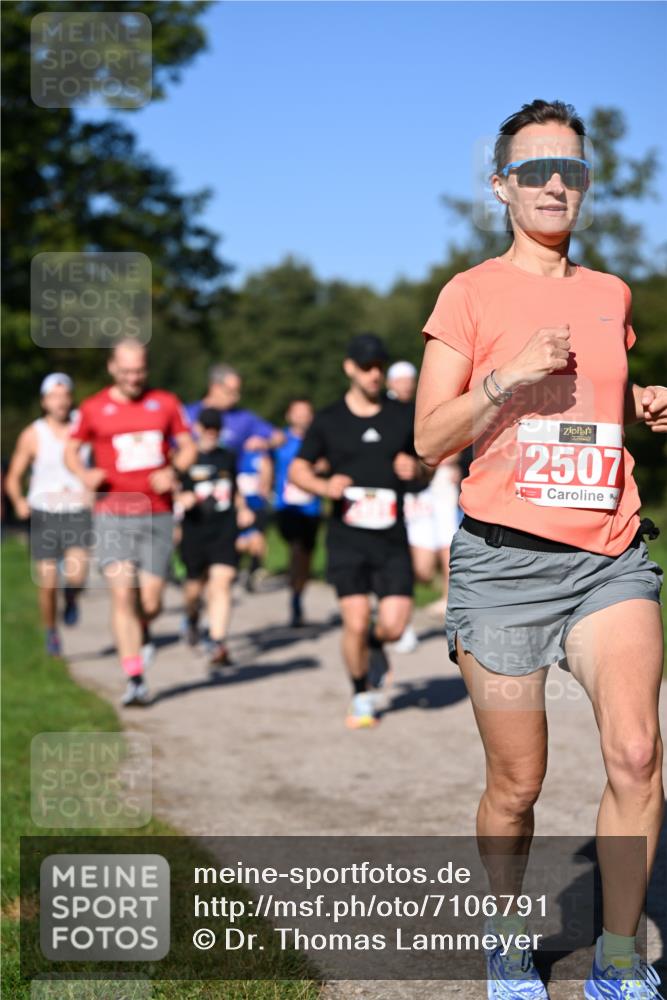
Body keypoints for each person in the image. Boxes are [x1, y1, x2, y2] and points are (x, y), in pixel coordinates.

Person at [415, 99, 665, 1000]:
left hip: (609, 555)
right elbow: (428, 438)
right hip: (504, 568)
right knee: (516, 786)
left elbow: (602, 393)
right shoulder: (469, 294)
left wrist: (643, 403)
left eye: (570, 170)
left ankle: (617, 956)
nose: (554, 183)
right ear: (500, 185)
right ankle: (505, 934)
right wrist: (504, 378)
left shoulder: (608, 295)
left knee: (636, 755)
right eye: (533, 170)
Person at [290, 333, 424, 728]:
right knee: (355, 618)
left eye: (379, 367)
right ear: (349, 368)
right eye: (366, 367)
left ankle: (376, 646)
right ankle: (361, 693)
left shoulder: (403, 415)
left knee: (395, 625)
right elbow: (298, 469)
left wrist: (416, 469)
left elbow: (430, 464)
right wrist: (322, 486)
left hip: (391, 536)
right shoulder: (329, 420)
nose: (374, 374)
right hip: (347, 537)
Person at [65, 339, 196, 707]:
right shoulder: (93, 408)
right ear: (112, 368)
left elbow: (188, 446)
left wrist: (173, 470)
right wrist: (84, 474)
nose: (133, 378)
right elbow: (71, 450)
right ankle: (135, 676)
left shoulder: (166, 403)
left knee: (150, 601)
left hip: (157, 512)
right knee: (122, 594)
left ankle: (143, 630)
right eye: (126, 372)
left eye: (139, 371)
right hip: (113, 512)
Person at [6, 373, 91, 656]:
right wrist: (18, 500)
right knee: (47, 580)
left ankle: (72, 596)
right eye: (53, 396)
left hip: (77, 508)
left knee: (77, 574)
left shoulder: (85, 426)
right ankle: (51, 631)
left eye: (64, 395)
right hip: (44, 512)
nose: (60, 402)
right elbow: (14, 475)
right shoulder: (33, 434)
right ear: (44, 401)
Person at [177, 408, 255, 671]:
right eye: (206, 428)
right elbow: (169, 488)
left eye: (215, 429)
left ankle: (217, 642)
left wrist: (243, 509)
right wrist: (180, 500)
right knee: (194, 589)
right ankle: (191, 617)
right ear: (197, 429)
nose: (210, 433)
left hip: (223, 530)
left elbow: (236, 491)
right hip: (194, 531)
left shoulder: (227, 457)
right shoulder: (185, 458)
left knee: (222, 583)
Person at [273, 398, 322, 627]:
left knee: (306, 555)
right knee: (296, 547)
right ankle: (295, 596)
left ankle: (298, 593)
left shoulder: (320, 441)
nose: (303, 417)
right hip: (287, 507)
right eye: (298, 412)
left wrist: (324, 466)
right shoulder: (280, 439)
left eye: (307, 412)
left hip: (312, 507)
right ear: (289, 416)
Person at [186, 363, 284, 453]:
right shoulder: (187, 414)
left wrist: (265, 444)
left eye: (238, 392)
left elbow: (279, 437)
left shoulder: (243, 418)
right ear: (214, 387)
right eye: (231, 392)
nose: (236, 398)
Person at [235, 444, 273, 592]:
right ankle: (235, 568)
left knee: (258, 541)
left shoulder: (262, 458)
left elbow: (265, 485)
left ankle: (253, 572)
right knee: (240, 542)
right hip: (241, 507)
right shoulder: (236, 456)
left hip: (258, 507)